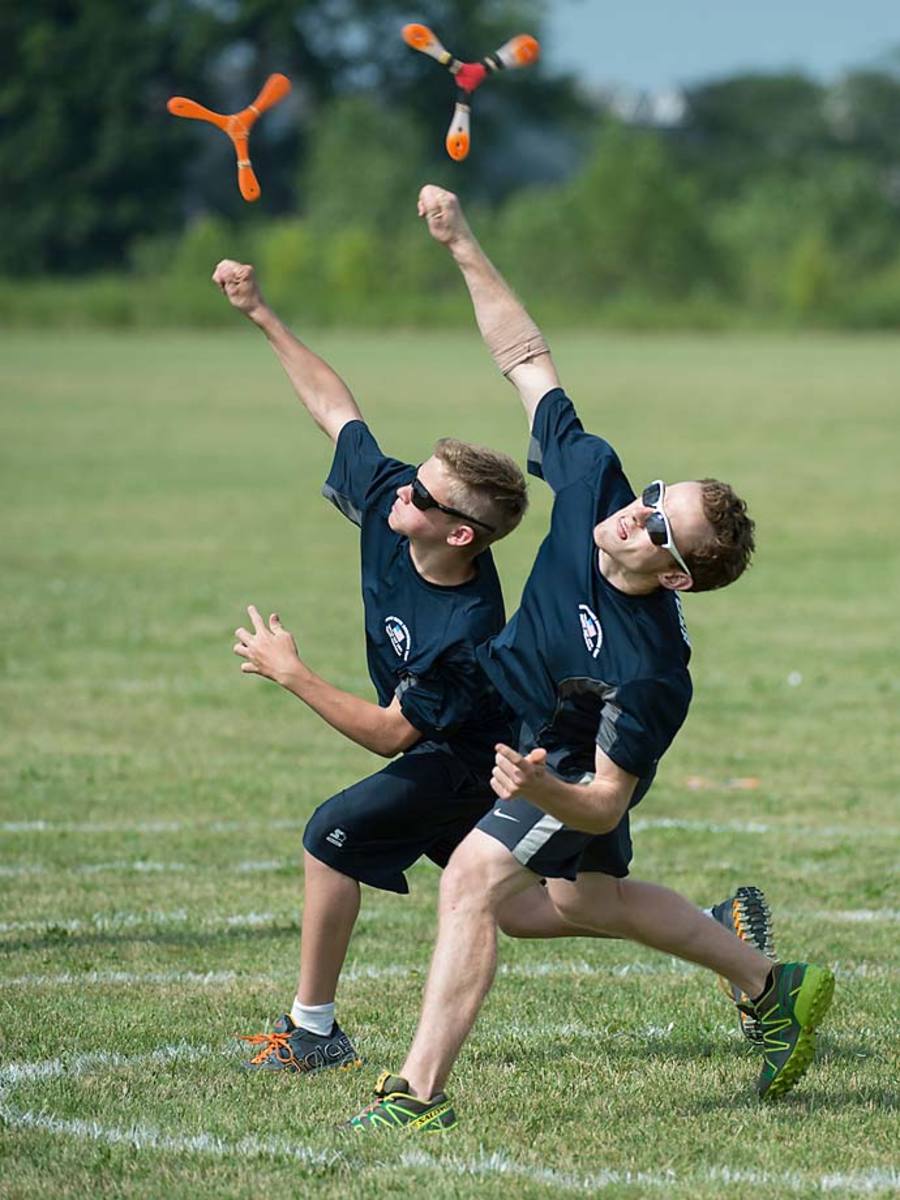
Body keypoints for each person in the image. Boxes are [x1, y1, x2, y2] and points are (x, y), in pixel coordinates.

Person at [344, 187, 834, 1131]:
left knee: (473, 884)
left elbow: (605, 797)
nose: (635, 513)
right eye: (654, 495)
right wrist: (462, 242)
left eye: (660, 527)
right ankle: (770, 982)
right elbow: (527, 360)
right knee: (567, 901)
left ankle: (415, 1097)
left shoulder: (651, 672)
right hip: (511, 721)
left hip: (562, 759)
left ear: (678, 577)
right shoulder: (588, 480)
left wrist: (537, 782)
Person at [213, 257, 531, 1074]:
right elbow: (336, 410)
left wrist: (293, 672)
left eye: (423, 496)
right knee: (530, 907)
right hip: (444, 748)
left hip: (467, 758)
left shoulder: (467, 629)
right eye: (414, 480)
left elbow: (393, 734)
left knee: (331, 836)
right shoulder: (401, 510)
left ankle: (313, 1032)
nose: (402, 495)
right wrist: (261, 313)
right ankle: (722, 938)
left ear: (459, 533)